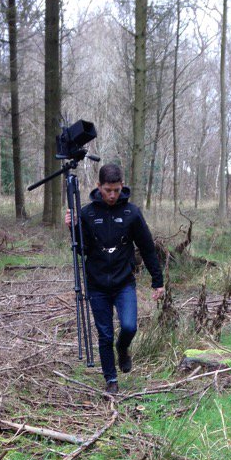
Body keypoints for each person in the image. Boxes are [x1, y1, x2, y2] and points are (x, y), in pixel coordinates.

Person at [66, 163, 164, 395]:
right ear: (99, 186)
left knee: (129, 326)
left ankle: (123, 348)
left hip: (123, 283)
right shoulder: (87, 214)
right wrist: (73, 229)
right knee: (105, 333)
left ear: (122, 186)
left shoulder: (132, 213)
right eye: (108, 190)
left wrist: (157, 281)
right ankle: (111, 379)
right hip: (97, 284)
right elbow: (82, 250)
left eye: (116, 190)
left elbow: (148, 248)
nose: (112, 195)